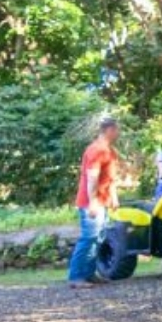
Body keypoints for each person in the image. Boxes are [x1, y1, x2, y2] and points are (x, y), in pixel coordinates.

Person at [65, 116, 124, 287]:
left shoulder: (109, 151)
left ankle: (89, 274)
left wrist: (113, 197)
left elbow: (110, 178)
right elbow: (92, 177)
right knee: (88, 238)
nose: (118, 133)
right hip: (92, 202)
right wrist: (92, 202)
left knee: (99, 238)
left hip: (102, 201)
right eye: (116, 130)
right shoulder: (97, 150)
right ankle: (76, 277)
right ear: (109, 130)